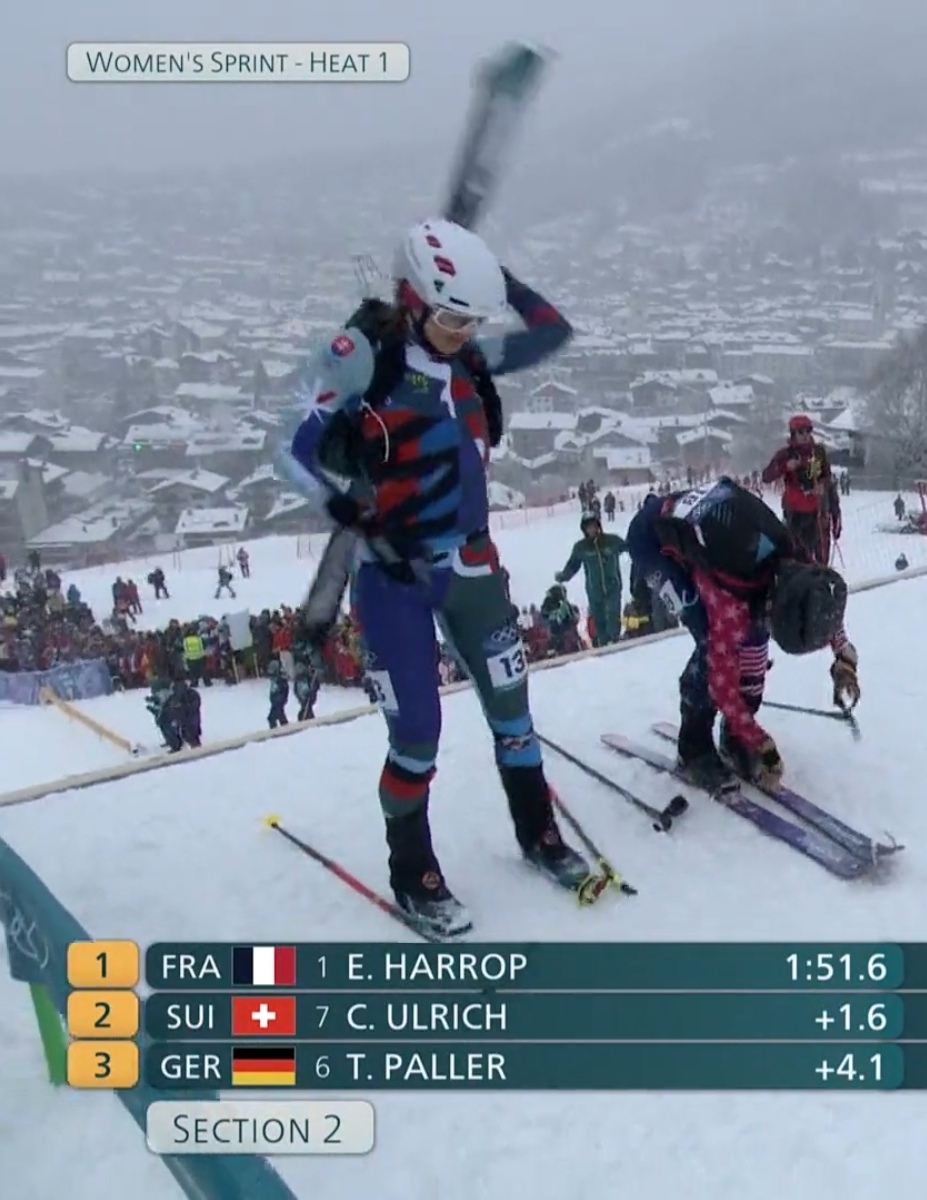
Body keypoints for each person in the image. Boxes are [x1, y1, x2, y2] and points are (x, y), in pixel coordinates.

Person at [279, 216, 580, 936]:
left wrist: (494, 278)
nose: (463, 333)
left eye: (473, 320)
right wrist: (339, 503)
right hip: (394, 575)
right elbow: (290, 447)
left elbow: (551, 333)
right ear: (412, 300)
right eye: (450, 319)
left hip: (471, 564)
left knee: (513, 711)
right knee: (417, 732)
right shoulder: (364, 359)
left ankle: (538, 832)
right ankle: (413, 871)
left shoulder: (468, 357)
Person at [625, 480, 861, 793]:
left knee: (752, 639)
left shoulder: (796, 559)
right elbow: (721, 683)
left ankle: (735, 735)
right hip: (652, 541)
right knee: (710, 640)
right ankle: (693, 747)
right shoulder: (730, 600)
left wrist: (844, 655)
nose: (766, 628)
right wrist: (760, 742)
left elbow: (818, 602)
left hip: (721, 538)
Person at [763, 414, 840, 559]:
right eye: (800, 432)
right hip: (795, 515)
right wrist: (785, 467)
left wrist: (822, 486)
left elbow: (827, 477)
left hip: (818, 512)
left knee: (821, 558)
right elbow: (766, 477)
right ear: (793, 434)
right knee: (799, 558)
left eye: (808, 431)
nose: (805, 435)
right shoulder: (785, 454)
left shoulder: (818, 452)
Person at [555, 513, 628, 647]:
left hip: (613, 585)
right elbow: (573, 565)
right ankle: (603, 642)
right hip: (594, 589)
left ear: (598, 526)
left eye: (593, 526)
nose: (591, 529)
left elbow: (629, 546)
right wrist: (563, 576)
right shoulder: (581, 548)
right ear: (584, 529)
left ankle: (615, 639)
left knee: (613, 612)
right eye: (588, 527)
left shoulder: (612, 541)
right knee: (598, 618)